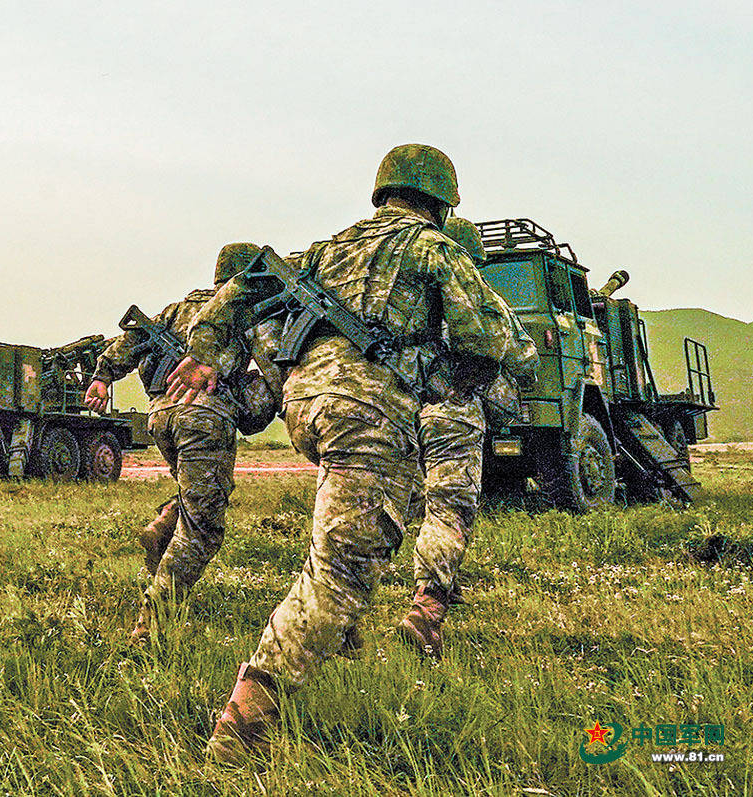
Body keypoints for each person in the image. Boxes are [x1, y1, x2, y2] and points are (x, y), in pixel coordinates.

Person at [167, 144, 521, 762]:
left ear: (382, 192)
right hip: (368, 413)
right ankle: (246, 718)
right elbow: (494, 337)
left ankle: (345, 638)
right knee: (339, 572)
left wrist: (206, 350)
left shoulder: (331, 248)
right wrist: (458, 371)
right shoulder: (432, 248)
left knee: (366, 522)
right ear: (442, 203)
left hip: (305, 406)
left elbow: (244, 284)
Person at [84, 244, 281, 645]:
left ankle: (165, 523)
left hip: (162, 417)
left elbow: (130, 341)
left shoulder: (176, 310)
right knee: (204, 528)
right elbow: (276, 365)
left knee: (202, 491)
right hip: (203, 417)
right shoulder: (241, 309)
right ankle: (149, 627)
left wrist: (103, 377)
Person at [397, 215, 538, 658]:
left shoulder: (401, 296)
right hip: (454, 413)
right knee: (448, 508)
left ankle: (347, 611)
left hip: (399, 411)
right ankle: (428, 608)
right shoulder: (478, 295)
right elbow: (523, 357)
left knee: (401, 506)